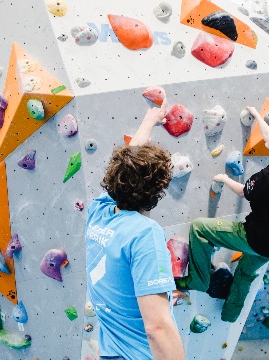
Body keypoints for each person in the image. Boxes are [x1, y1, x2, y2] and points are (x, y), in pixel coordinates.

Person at [178, 106, 269, 322]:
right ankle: (231, 314)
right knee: (245, 275)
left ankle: (198, 280)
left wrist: (224, 179)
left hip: (255, 238)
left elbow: (244, 190)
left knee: (200, 228)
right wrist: (256, 116)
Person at [85, 101, 185, 360]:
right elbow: (157, 327)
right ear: (157, 191)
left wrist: (149, 121)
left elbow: (127, 165)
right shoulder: (144, 234)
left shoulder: (99, 212)